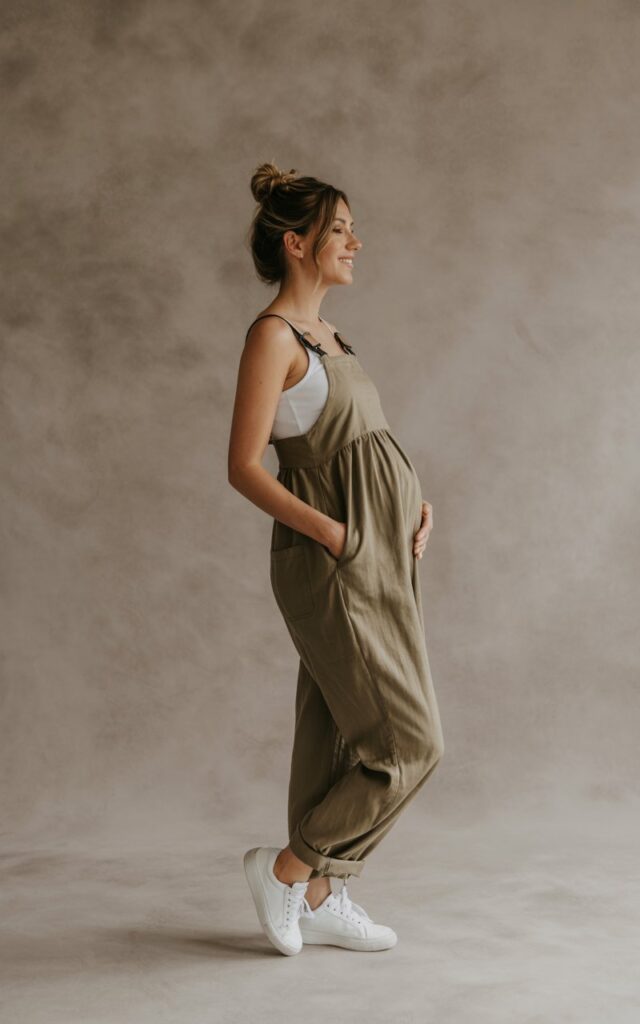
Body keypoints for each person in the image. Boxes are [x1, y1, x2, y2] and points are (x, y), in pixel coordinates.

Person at [228, 162, 444, 955]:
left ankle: (324, 892)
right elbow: (245, 464)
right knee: (410, 742)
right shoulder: (273, 337)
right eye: (340, 229)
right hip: (336, 563)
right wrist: (336, 534)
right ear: (297, 243)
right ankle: (289, 870)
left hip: (382, 555)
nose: (356, 241)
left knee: (337, 735)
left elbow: (364, 450)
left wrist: (412, 505)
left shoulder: (332, 337)